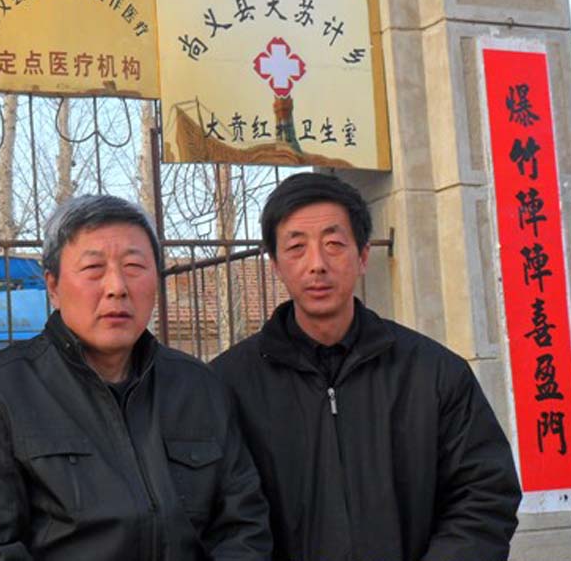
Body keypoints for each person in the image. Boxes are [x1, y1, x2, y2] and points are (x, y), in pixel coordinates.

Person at [0, 195, 271, 559]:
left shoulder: (199, 387)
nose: (117, 287)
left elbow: (243, 526)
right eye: (93, 268)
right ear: (53, 287)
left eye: (134, 266)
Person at [212, 172, 522, 561]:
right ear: (274, 264)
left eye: (334, 244)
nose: (316, 264)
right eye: (296, 247)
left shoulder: (435, 374)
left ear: (362, 256)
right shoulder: (227, 385)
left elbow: (485, 495)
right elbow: (219, 518)